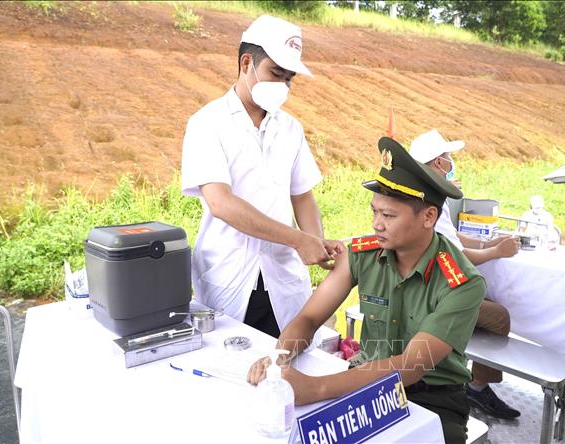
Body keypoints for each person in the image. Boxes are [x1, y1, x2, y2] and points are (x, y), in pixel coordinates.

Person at [248, 137, 486, 443]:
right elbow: (309, 318)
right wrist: (280, 359)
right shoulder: (361, 255)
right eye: (374, 212)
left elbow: (411, 366)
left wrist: (316, 388)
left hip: (431, 398)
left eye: (388, 216)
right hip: (362, 382)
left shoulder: (461, 282)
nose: (376, 224)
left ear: (429, 217)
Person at [180, 15, 343, 339]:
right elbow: (221, 203)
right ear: (246, 63)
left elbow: (302, 195)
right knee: (231, 370)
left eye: (289, 78)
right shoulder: (207, 123)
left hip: (282, 279)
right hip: (229, 275)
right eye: (275, 73)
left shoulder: (291, 129)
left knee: (288, 367)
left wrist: (317, 243)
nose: (282, 85)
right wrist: (298, 240)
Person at [409, 129, 521, 419]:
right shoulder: (431, 199)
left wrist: (489, 243)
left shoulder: (423, 192)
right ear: (437, 163)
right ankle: (476, 386)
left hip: (422, 283)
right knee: (499, 317)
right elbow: (456, 254)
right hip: (431, 290)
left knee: (484, 300)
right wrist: (498, 252)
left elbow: (452, 237)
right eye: (447, 157)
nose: (451, 162)